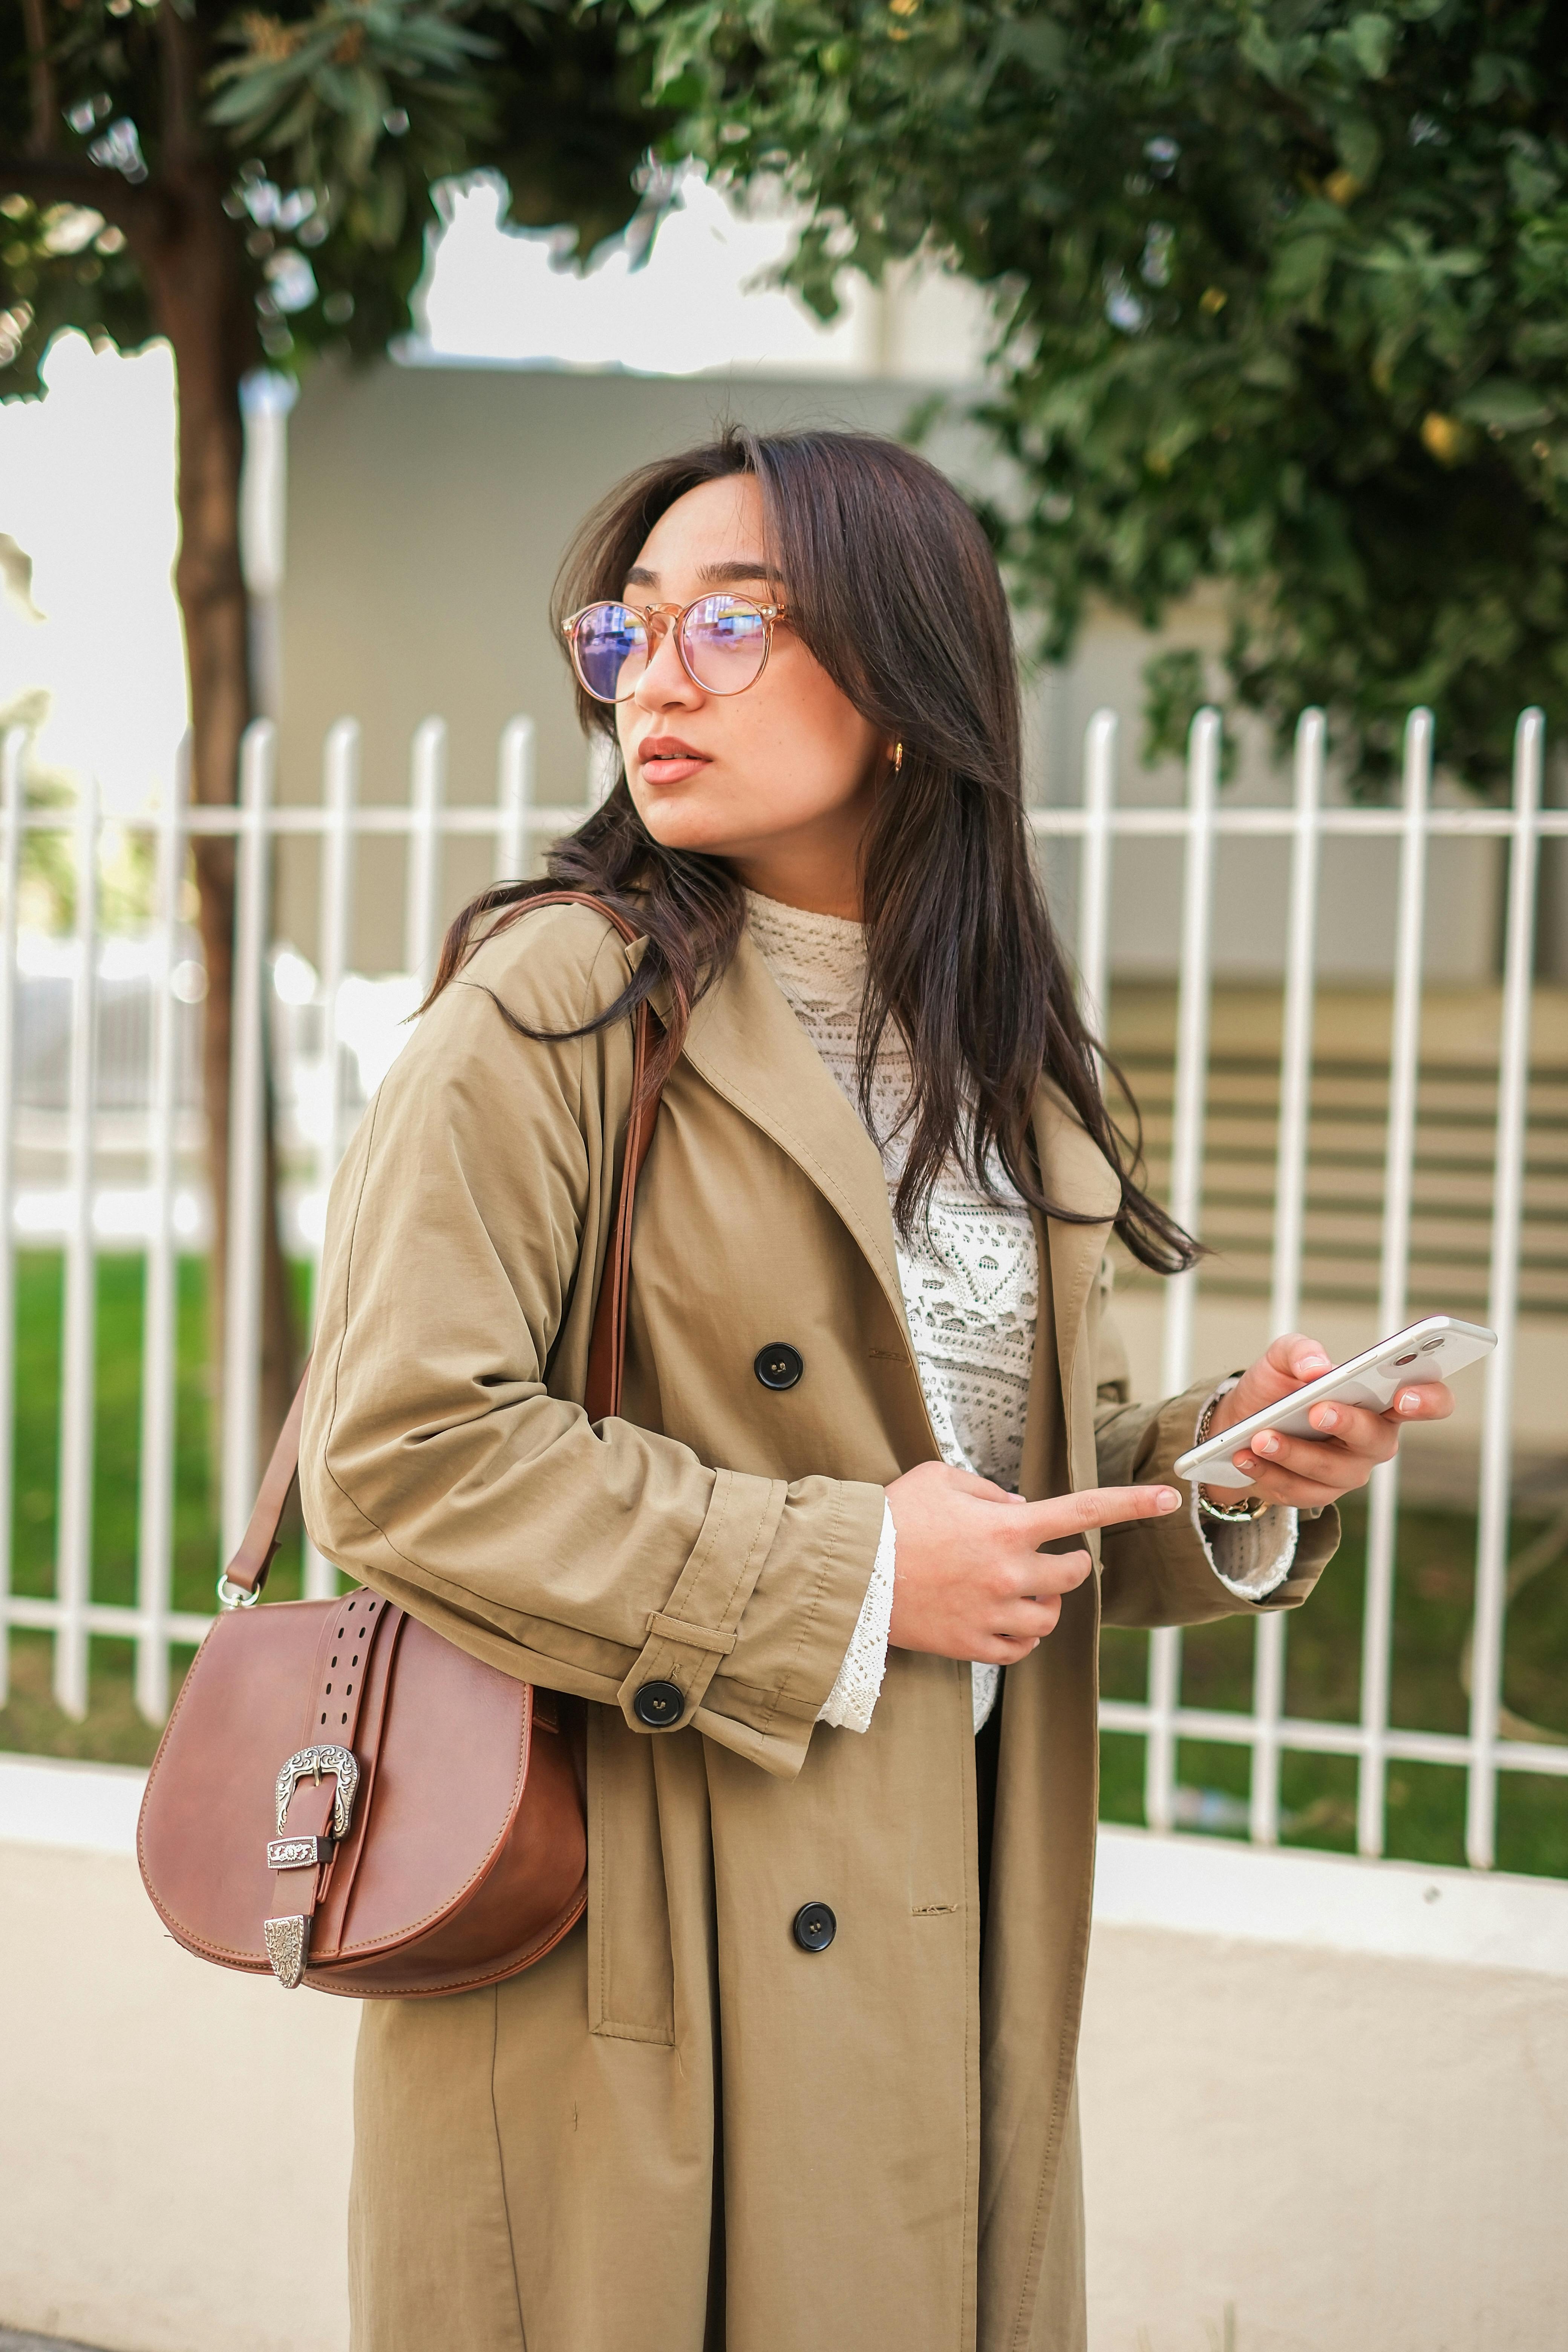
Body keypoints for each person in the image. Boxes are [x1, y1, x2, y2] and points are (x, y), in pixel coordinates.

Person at [299, 428, 1453, 2352]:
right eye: (629, 632)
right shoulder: (555, 1003)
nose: (653, 683)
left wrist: (1226, 1467)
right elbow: (403, 1455)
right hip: (647, 1936)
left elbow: (992, 1487)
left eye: (728, 626)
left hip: (948, 1906)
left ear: (907, 685)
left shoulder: (1009, 1068)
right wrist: (855, 1576)